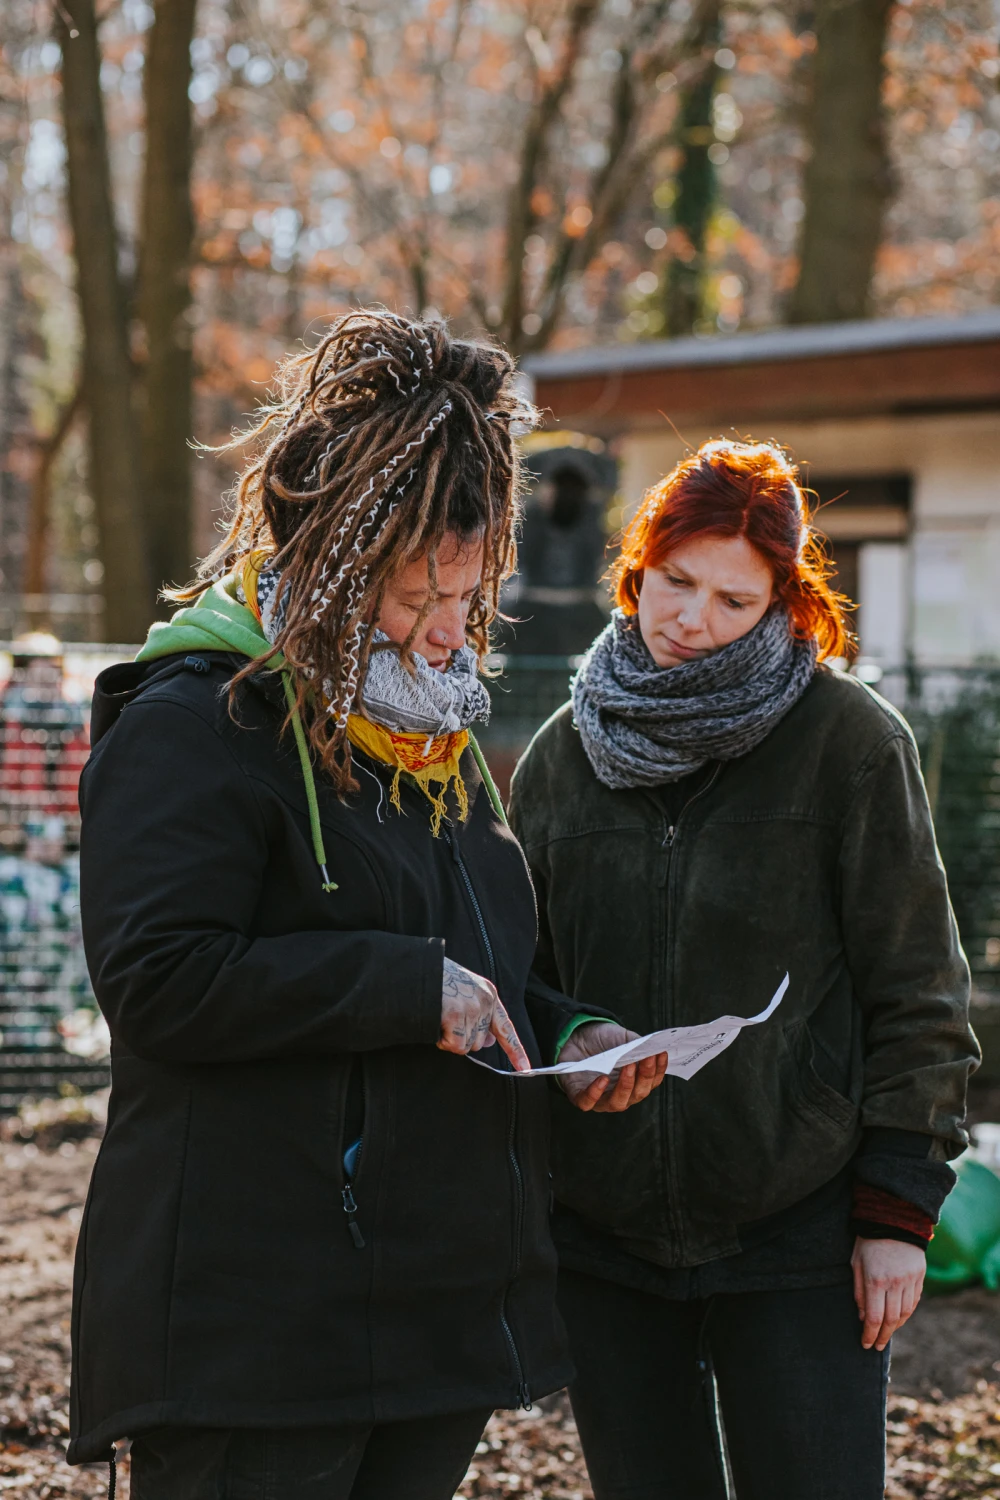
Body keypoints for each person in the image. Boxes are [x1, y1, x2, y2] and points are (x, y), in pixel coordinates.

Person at [67, 312, 664, 1500]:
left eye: (467, 592)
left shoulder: (435, 741)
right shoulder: (193, 725)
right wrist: (403, 990)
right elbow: (159, 981)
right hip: (257, 1328)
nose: (448, 631)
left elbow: (478, 960)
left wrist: (565, 1031)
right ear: (335, 566)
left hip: (435, 1318)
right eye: (415, 594)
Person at [509, 439, 980, 1500]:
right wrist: (570, 1029)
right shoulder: (560, 756)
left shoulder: (849, 743)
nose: (691, 619)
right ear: (638, 567)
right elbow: (518, 971)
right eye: (676, 581)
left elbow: (919, 989)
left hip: (799, 1230)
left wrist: (896, 1213)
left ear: (781, 604)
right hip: (605, 1241)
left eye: (734, 599)